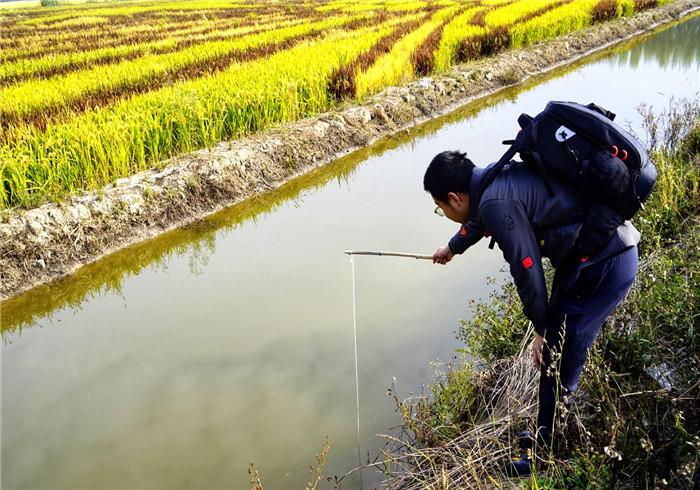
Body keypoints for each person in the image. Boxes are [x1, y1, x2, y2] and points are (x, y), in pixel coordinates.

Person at [423, 150, 639, 476]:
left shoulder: (494, 202)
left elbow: (527, 270)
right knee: (558, 349)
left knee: (558, 354)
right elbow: (481, 220)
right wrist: (453, 247)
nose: (445, 212)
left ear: (454, 198)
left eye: (440, 208)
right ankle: (547, 433)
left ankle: (544, 457)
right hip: (595, 256)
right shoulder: (493, 179)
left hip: (605, 265)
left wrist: (541, 328)